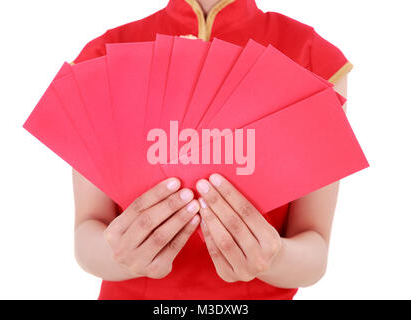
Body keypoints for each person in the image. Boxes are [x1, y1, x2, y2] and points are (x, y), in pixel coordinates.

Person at [73, 0, 352, 299]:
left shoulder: (312, 58)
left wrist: (273, 257)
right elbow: (86, 233)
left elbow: (315, 248)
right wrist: (122, 255)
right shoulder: (104, 56)